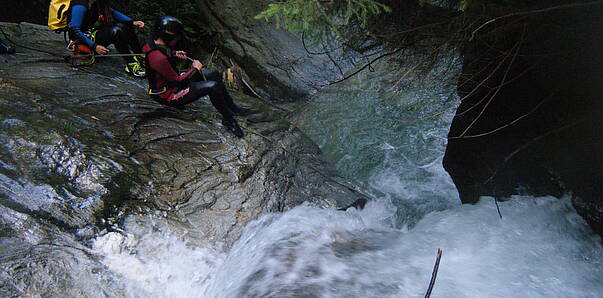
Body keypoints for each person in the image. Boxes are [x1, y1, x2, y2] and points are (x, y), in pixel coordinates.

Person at [142, 16, 255, 138]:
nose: (178, 39)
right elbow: (178, 81)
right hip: (167, 95)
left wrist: (174, 53)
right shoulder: (158, 58)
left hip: (171, 83)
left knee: (212, 72)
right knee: (213, 86)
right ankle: (229, 119)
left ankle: (233, 108)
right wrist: (195, 68)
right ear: (168, 37)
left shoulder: (151, 43)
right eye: (177, 37)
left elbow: (160, 52)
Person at [68, 0, 145, 77]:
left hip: (90, 35)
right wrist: (94, 46)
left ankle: (139, 55)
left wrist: (132, 22)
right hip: (82, 42)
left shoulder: (97, 3)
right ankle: (131, 63)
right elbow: (75, 30)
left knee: (125, 25)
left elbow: (112, 12)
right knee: (115, 31)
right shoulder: (80, 5)